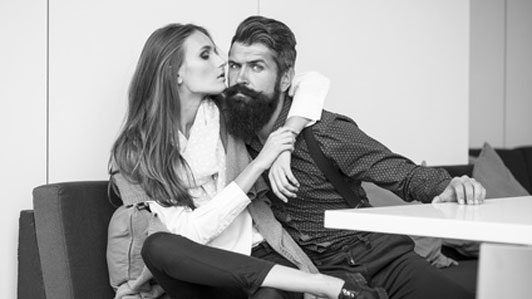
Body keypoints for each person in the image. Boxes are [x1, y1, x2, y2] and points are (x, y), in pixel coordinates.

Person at [223, 15, 487, 299]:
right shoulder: (227, 133)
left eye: (256, 67)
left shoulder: (325, 132)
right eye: (235, 65)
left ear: (286, 78)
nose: (240, 78)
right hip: (311, 271)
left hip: (378, 258)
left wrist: (447, 186)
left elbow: (401, 173)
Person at [109, 23, 370, 299]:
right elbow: (191, 234)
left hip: (262, 257)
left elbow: (311, 81)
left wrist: (286, 140)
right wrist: (259, 164)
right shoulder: (135, 152)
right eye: (206, 54)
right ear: (176, 74)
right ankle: (325, 286)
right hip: (204, 271)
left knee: (269, 295)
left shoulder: (231, 113)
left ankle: (328, 287)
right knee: (158, 247)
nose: (223, 61)